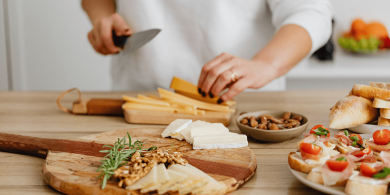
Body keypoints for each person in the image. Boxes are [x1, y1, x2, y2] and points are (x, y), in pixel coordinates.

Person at [82, 0, 332, 103]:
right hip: (138, 99)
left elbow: (311, 11)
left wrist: (266, 64)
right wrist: (102, 18)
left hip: (244, 106)